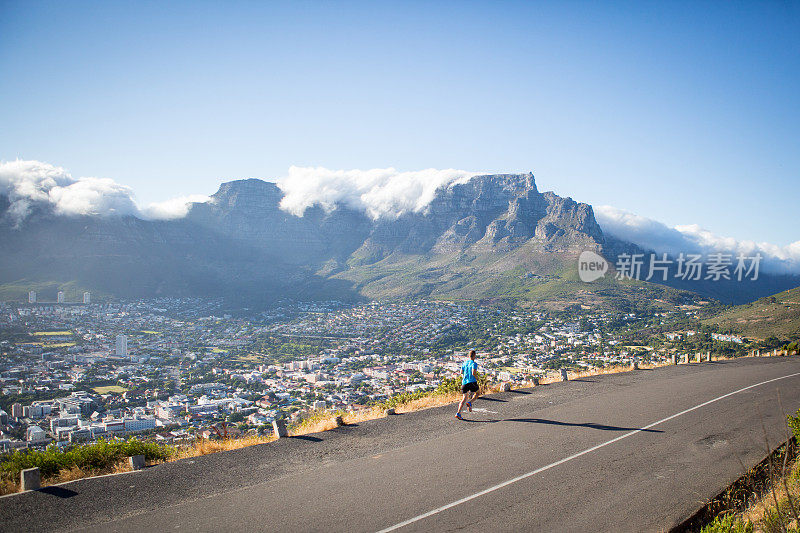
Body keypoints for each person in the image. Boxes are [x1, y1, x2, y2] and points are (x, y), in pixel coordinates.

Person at [456, 350, 479, 420]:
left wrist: (465, 376)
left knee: (464, 398)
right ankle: (470, 402)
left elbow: (461, 372)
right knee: (478, 393)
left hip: (464, 382)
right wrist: (476, 377)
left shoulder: (465, 363)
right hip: (472, 382)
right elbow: (473, 373)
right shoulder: (474, 363)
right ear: (474, 355)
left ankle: (458, 413)